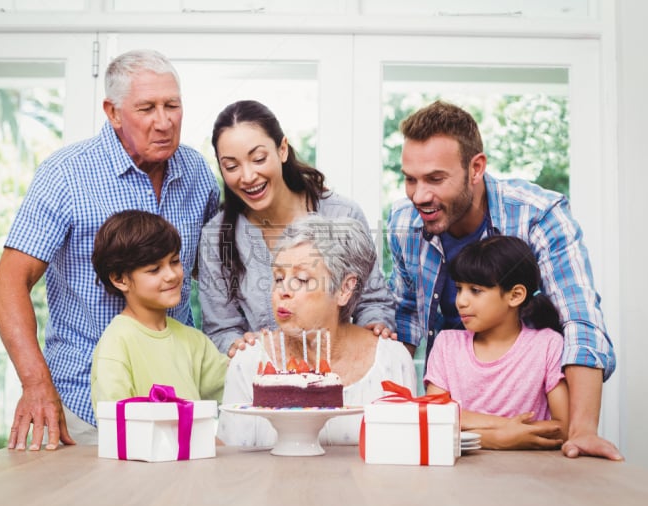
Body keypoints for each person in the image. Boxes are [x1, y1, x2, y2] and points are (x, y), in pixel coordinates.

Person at [0, 49, 220, 450]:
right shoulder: (66, 174)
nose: (163, 122)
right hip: (86, 405)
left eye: (172, 106)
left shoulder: (196, 172)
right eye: (147, 108)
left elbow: (213, 274)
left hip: (180, 404)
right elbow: (8, 285)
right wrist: (35, 383)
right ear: (113, 112)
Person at [387, 100, 622, 460]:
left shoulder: (539, 214)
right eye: (410, 179)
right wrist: (399, 417)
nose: (419, 195)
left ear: (476, 168)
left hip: (524, 414)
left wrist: (582, 430)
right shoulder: (404, 223)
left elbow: (581, 319)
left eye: (435, 179)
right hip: (455, 428)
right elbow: (404, 323)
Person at [198, 99, 396, 357]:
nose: (247, 177)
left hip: (341, 378)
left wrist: (374, 326)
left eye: (258, 159)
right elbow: (221, 331)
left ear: (282, 149)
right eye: (232, 166)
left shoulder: (341, 215)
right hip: (263, 381)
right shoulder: (216, 237)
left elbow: (373, 301)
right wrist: (239, 347)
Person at [217, 215, 416, 446]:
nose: (283, 291)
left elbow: (407, 456)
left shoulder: (391, 361)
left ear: (344, 288)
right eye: (279, 277)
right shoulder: (249, 363)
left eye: (301, 280)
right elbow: (233, 466)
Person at [424, 235, 568, 449]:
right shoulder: (446, 344)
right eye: (459, 288)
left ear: (515, 295)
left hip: (535, 475)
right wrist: (500, 435)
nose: (461, 301)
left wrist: (464, 422)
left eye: (475, 290)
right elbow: (435, 419)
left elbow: (562, 430)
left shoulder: (548, 345)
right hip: (460, 475)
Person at [89, 210, 227, 412]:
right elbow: (115, 424)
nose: (171, 275)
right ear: (120, 279)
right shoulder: (117, 343)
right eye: (154, 269)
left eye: (174, 261)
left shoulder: (194, 340)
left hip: (198, 445)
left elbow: (237, 388)